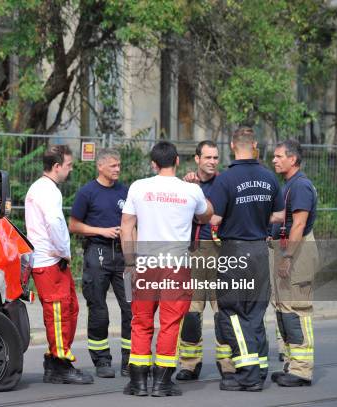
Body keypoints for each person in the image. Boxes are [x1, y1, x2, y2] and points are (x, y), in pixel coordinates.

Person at [120, 141, 213, 397]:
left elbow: (126, 227)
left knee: (141, 322)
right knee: (170, 324)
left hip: (145, 264)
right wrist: (196, 195)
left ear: (153, 164)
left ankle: (138, 383)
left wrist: (130, 263)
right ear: (178, 162)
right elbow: (208, 214)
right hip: (176, 265)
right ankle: (162, 382)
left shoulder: (138, 187)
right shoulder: (191, 190)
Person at [208, 127, 285, 392]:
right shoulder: (269, 177)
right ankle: (260, 368)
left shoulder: (226, 180)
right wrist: (258, 217)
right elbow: (279, 215)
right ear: (253, 145)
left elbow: (214, 219)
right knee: (255, 312)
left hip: (234, 252)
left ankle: (249, 375)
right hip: (260, 252)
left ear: (232, 145)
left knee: (231, 312)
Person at [25, 144, 94, 385]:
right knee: (59, 313)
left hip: (49, 259)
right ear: (56, 167)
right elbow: (54, 223)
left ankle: (55, 361)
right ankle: (60, 362)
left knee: (68, 310)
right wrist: (65, 252)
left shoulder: (41, 188)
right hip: (51, 260)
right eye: (68, 165)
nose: (70, 170)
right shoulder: (49, 191)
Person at [69, 148, 132, 378]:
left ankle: (130, 360)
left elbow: (132, 224)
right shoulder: (87, 192)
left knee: (131, 307)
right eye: (113, 165)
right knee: (98, 309)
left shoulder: (126, 191)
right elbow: (74, 225)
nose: (118, 169)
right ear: (101, 166)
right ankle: (102, 360)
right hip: (98, 253)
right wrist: (102, 231)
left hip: (123, 255)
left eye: (119, 165)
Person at [176, 141, 235, 381]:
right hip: (194, 252)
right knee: (191, 313)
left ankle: (228, 364)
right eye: (208, 157)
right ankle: (189, 364)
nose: (212, 161)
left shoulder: (225, 183)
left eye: (215, 157)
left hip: (221, 253)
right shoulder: (186, 185)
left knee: (223, 313)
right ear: (197, 159)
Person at [270, 139, 318, 387]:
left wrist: (288, 257)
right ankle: (291, 364)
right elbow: (284, 217)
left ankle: (301, 370)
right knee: (283, 310)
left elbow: (298, 224)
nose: (274, 160)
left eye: (279, 156)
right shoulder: (289, 185)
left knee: (296, 311)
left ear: (293, 159)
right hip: (288, 248)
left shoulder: (300, 186)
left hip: (297, 253)